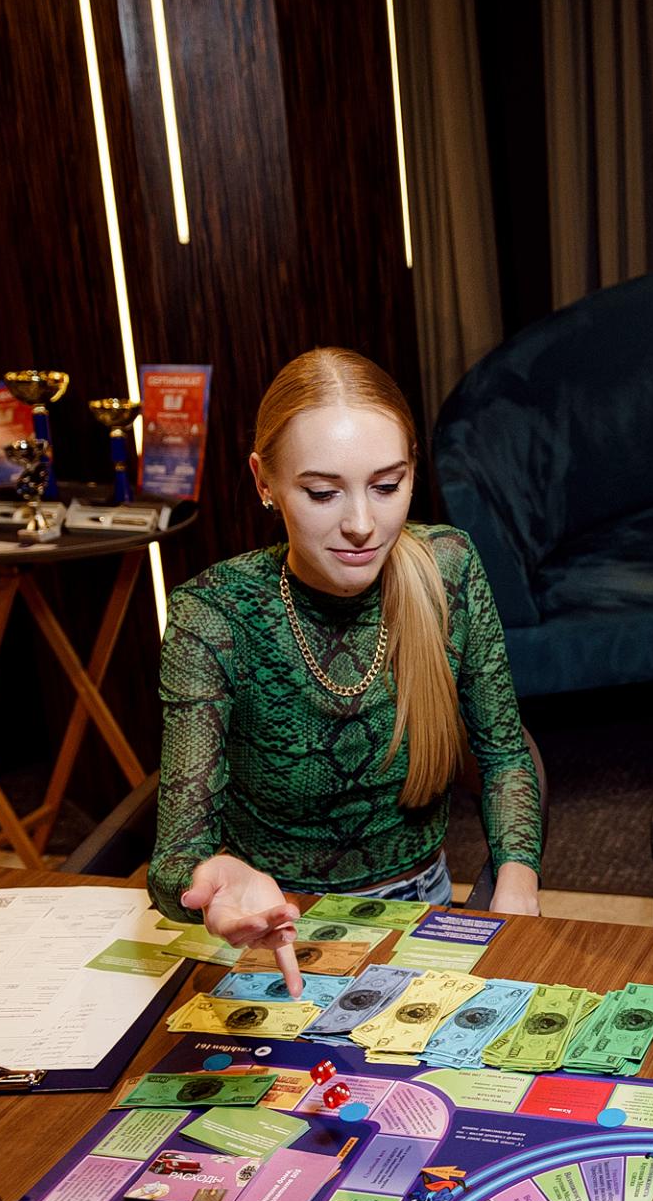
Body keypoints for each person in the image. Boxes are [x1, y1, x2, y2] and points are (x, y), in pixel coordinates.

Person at [148, 347, 543, 994]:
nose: (362, 525)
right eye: (323, 492)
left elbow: (503, 756)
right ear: (264, 482)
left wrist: (517, 881)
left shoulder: (449, 568)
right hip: (275, 923)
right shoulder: (214, 613)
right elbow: (173, 862)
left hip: (422, 907)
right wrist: (213, 887)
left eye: (387, 486)